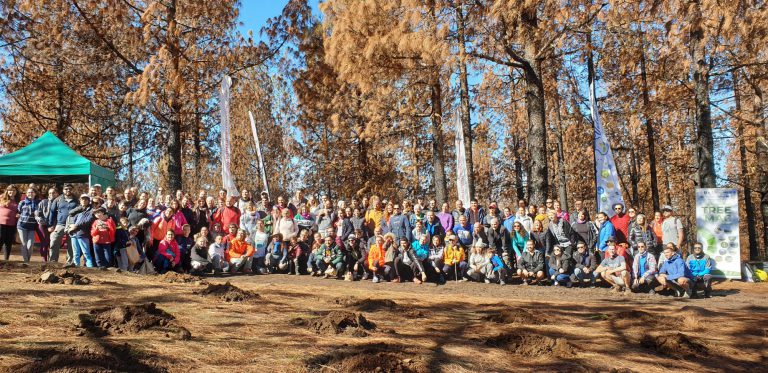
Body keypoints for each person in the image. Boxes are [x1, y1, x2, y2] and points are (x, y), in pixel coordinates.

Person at [48, 184, 78, 263]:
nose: (68, 190)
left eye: (70, 189)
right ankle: (53, 261)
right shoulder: (58, 200)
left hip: (72, 225)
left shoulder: (77, 200)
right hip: (60, 224)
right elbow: (52, 212)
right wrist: (51, 225)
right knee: (54, 241)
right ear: (63, 190)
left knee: (71, 244)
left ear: (73, 190)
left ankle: (70, 262)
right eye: (66, 189)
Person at [68, 194, 95, 267]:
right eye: (82, 199)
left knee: (86, 253)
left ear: (89, 201)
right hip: (74, 234)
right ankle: (77, 269)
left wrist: (75, 226)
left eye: (86, 199)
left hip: (83, 234)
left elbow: (87, 221)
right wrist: (71, 225)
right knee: (76, 253)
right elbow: (71, 216)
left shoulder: (91, 210)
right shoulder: (78, 210)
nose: (84, 201)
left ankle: (90, 269)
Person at [16, 186, 39, 263]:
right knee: (24, 244)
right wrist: (17, 215)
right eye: (29, 192)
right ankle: (26, 261)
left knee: (30, 245)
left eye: (32, 192)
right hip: (22, 226)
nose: (30, 194)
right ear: (26, 193)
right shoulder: (22, 202)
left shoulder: (38, 203)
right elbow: (18, 212)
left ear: (35, 194)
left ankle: (27, 260)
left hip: (32, 227)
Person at [35, 187, 58, 261]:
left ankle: (52, 259)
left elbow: (60, 217)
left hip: (54, 226)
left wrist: (53, 226)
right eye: (50, 193)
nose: (52, 194)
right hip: (43, 225)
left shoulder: (59, 203)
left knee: (52, 243)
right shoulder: (43, 202)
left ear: (57, 194)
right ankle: (44, 260)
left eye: (53, 193)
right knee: (44, 242)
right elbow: (38, 214)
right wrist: (43, 222)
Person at [0, 185, 19, 261]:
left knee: (9, 242)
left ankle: (6, 259)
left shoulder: (18, 200)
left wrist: (18, 214)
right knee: (0, 239)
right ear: (7, 191)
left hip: (12, 224)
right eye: (10, 190)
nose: (12, 192)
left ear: (16, 192)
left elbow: (20, 211)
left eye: (14, 190)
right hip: (1, 223)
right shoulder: (1, 198)